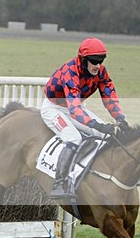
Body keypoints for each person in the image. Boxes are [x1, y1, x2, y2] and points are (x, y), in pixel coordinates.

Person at [41, 37, 129, 199]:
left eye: (101, 61)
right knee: (73, 138)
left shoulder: (101, 71)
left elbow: (108, 95)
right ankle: (59, 184)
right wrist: (99, 126)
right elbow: (74, 109)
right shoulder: (70, 72)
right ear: (83, 60)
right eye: (94, 61)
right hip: (54, 109)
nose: (97, 65)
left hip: (75, 108)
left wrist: (120, 118)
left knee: (107, 135)